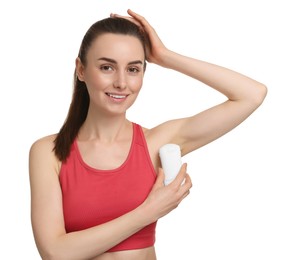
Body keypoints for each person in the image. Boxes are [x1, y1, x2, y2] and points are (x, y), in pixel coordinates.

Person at [29, 9, 267, 260]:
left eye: (133, 69)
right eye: (107, 67)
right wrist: (147, 212)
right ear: (81, 69)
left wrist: (165, 56)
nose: (121, 82)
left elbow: (252, 95)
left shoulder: (155, 143)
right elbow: (55, 253)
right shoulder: (48, 152)